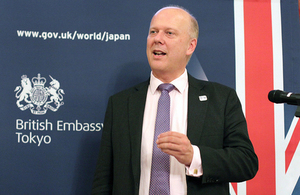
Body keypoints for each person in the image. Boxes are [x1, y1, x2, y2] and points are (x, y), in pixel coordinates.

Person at [92, 5, 258, 195]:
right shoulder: (121, 104)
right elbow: (103, 180)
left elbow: (246, 162)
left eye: (169, 33)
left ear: (190, 46)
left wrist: (193, 156)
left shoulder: (221, 99)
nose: (157, 39)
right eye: (153, 32)